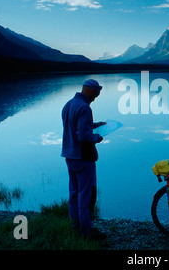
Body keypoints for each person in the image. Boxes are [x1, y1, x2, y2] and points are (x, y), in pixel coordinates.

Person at [61, 79, 107, 240]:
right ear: (92, 92)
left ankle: (75, 225)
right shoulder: (85, 108)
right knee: (85, 194)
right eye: (96, 95)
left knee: (74, 193)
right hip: (83, 158)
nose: (95, 99)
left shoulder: (68, 105)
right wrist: (97, 137)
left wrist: (95, 124)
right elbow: (83, 136)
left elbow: (75, 126)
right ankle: (86, 230)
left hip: (69, 155)